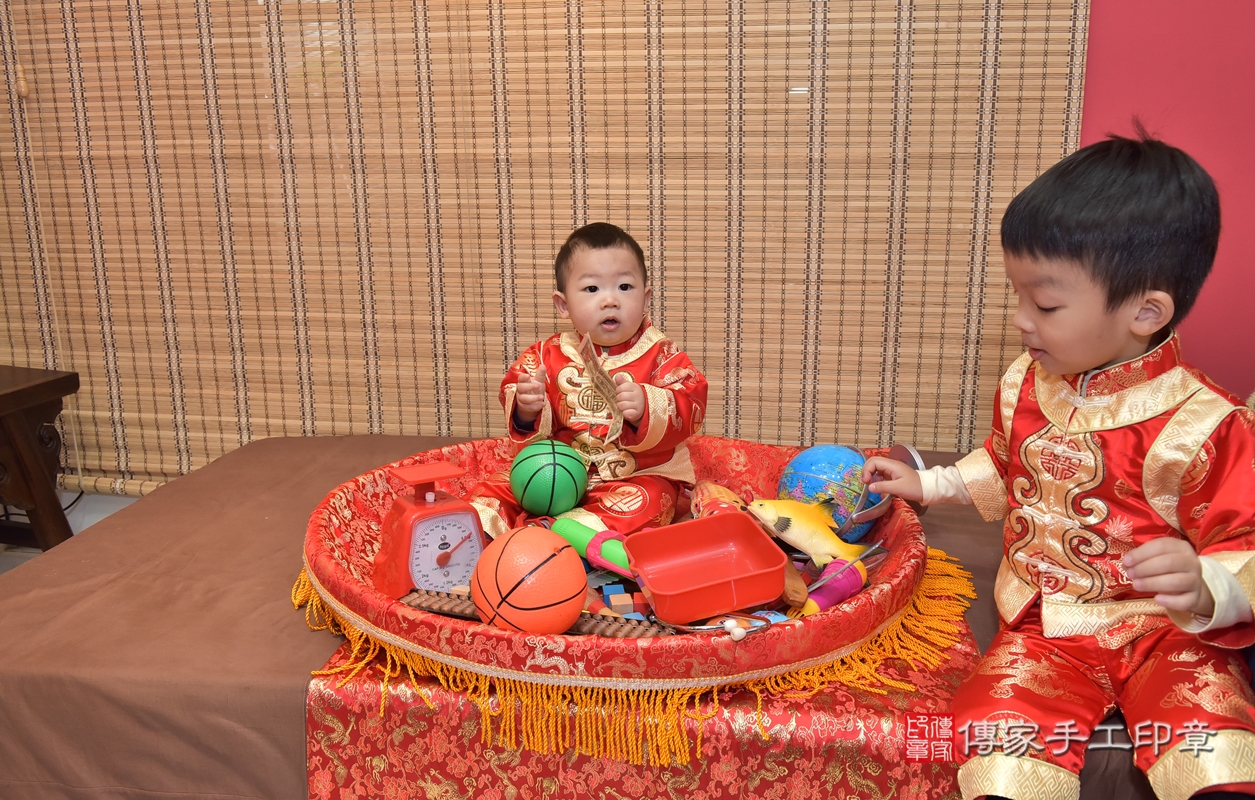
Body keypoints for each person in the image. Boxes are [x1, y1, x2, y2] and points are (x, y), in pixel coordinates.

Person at [863, 130, 1255, 800]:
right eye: (1018, 296)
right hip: (1043, 624)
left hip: (1162, 631)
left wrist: (1202, 585)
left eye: (1042, 304)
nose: (1020, 320)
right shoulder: (1027, 382)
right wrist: (928, 483)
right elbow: (1004, 465)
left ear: (1144, 311)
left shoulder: (1205, 423)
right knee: (996, 748)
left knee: (1213, 747)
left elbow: (1242, 538)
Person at [468, 222, 708, 540]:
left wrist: (648, 405)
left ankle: (555, 535)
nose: (610, 300)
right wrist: (526, 407)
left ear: (646, 298)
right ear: (563, 304)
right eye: (592, 289)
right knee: (495, 489)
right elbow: (514, 390)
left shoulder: (662, 353)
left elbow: (692, 398)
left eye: (624, 287)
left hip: (632, 477)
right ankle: (478, 536)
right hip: (556, 471)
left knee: (649, 504)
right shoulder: (545, 354)